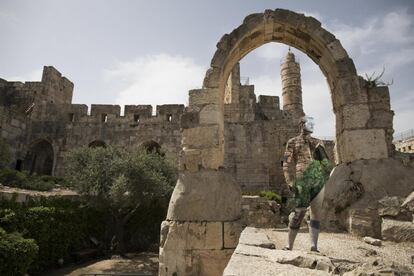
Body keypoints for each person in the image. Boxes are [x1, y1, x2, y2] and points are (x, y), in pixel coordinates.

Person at [282, 116, 330, 252]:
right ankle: (289, 245)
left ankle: (313, 246)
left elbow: (325, 162)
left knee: (315, 214)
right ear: (301, 125)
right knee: (299, 213)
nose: (312, 126)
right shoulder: (292, 142)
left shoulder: (318, 142)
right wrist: (289, 181)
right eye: (309, 123)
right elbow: (286, 164)